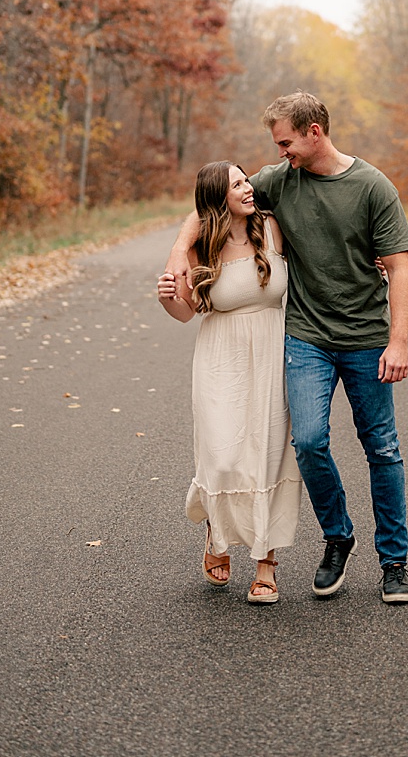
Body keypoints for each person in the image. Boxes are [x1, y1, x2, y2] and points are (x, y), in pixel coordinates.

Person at [166, 93, 408, 605]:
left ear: (314, 132)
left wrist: (398, 341)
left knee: (383, 450)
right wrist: (177, 252)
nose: (280, 153)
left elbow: (398, 267)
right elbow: (212, 203)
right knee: (307, 443)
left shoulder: (373, 187)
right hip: (306, 337)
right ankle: (337, 536)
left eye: (285, 142)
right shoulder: (281, 179)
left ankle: (394, 561)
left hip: (367, 337)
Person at [157, 160, 301, 604]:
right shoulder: (203, 246)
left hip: (273, 355)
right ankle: (216, 532)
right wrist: (168, 299)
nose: (248, 188)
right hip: (221, 359)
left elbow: (322, 254)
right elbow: (186, 312)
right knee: (221, 455)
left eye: (246, 180)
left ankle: (266, 565)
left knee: (268, 456)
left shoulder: (273, 229)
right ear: (219, 197)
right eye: (237, 184)